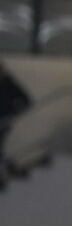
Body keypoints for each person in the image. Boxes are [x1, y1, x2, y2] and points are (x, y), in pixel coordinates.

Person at [0, 59, 32, 187]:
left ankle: (10, 170)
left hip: (4, 120)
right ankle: (10, 169)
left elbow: (26, 100)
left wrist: (14, 112)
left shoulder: (8, 83)